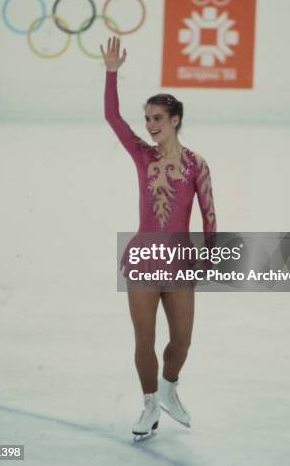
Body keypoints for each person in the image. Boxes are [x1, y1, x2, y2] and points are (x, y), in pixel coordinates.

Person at [100, 37, 216, 439]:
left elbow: (209, 212)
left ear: (176, 120)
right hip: (145, 257)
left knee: (182, 341)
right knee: (144, 337)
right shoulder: (142, 155)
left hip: (181, 260)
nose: (150, 125)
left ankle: (170, 388)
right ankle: (149, 404)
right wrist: (112, 73)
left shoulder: (196, 164)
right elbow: (113, 118)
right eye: (147, 118)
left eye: (158, 119)